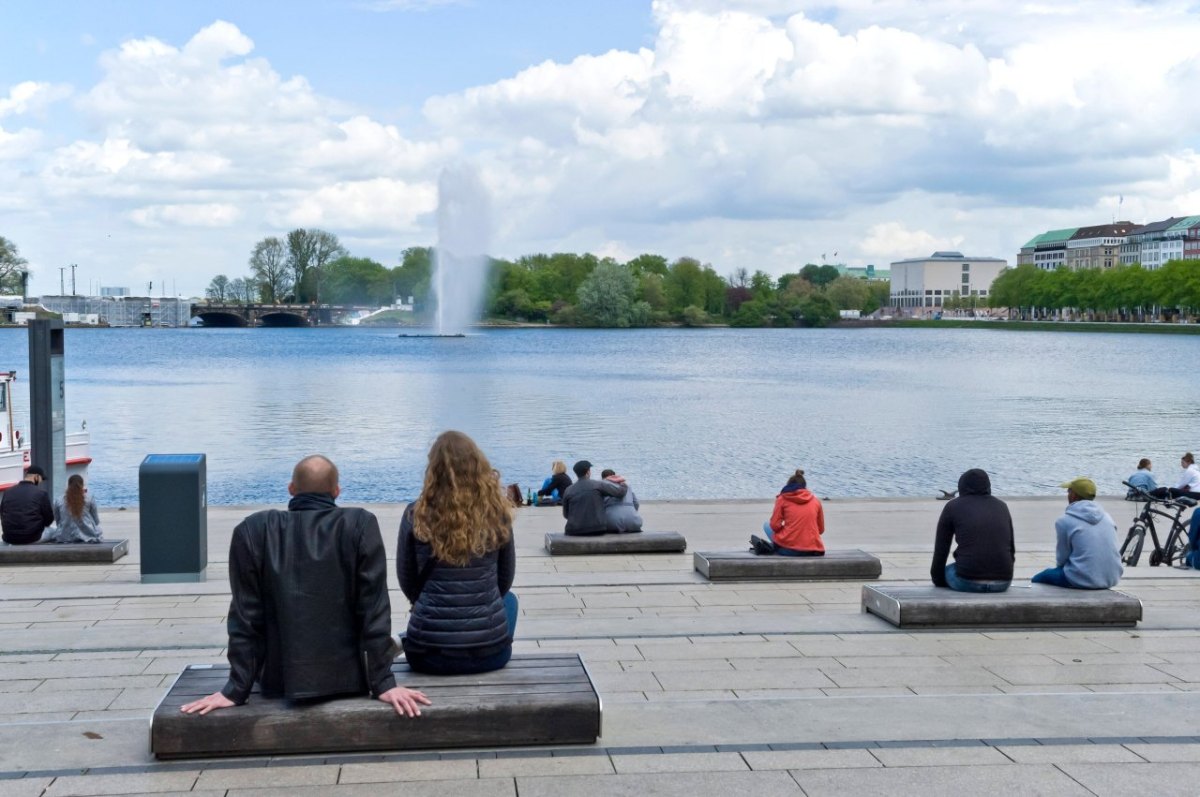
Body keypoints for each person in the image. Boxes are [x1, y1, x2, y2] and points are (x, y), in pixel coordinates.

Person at [180, 455, 429, 717]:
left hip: (278, 679)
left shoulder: (252, 530)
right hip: (350, 678)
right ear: (336, 492)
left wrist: (235, 689)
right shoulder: (360, 524)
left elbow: (245, 618)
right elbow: (374, 611)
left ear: (291, 489)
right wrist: (382, 683)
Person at [398, 431, 518, 675]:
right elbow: (504, 579)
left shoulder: (415, 515)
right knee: (509, 601)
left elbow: (407, 580)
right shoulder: (497, 514)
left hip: (427, 655)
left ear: (433, 470)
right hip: (491, 654)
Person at [930, 469, 1015, 592]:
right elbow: (1011, 549)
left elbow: (941, 551)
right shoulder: (1002, 506)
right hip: (1003, 582)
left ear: (961, 486)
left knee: (948, 570)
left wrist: (938, 580)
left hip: (967, 581)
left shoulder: (953, 506)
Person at [1031, 477, 1122, 589]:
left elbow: (1062, 559)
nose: (1067, 494)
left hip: (1082, 578)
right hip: (1112, 577)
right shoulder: (1107, 517)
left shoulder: (1064, 521)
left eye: (1069, 491)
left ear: (1073, 495)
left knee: (1038, 578)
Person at [756, 469, 825, 556]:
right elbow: (821, 530)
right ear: (804, 487)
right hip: (813, 550)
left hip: (790, 550)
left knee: (766, 525)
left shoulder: (782, 498)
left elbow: (774, 526)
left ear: (789, 485)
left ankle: (776, 545)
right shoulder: (815, 501)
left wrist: (789, 530)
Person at [562, 460, 627, 536]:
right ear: (588, 472)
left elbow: (566, 515)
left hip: (573, 530)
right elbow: (620, 493)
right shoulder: (598, 484)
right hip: (597, 529)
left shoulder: (568, 490)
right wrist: (623, 484)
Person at [0, 465, 54, 545]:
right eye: (41, 479)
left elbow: (2, 514)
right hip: (32, 538)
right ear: (36, 477)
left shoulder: (8, 492)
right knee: (55, 531)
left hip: (9, 537)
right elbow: (49, 520)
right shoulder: (41, 493)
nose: (41, 482)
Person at [46, 475, 103, 543]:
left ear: (68, 485)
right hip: (88, 536)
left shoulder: (59, 500)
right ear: (82, 485)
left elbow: (58, 521)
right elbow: (96, 521)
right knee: (99, 530)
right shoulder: (89, 498)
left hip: (64, 537)